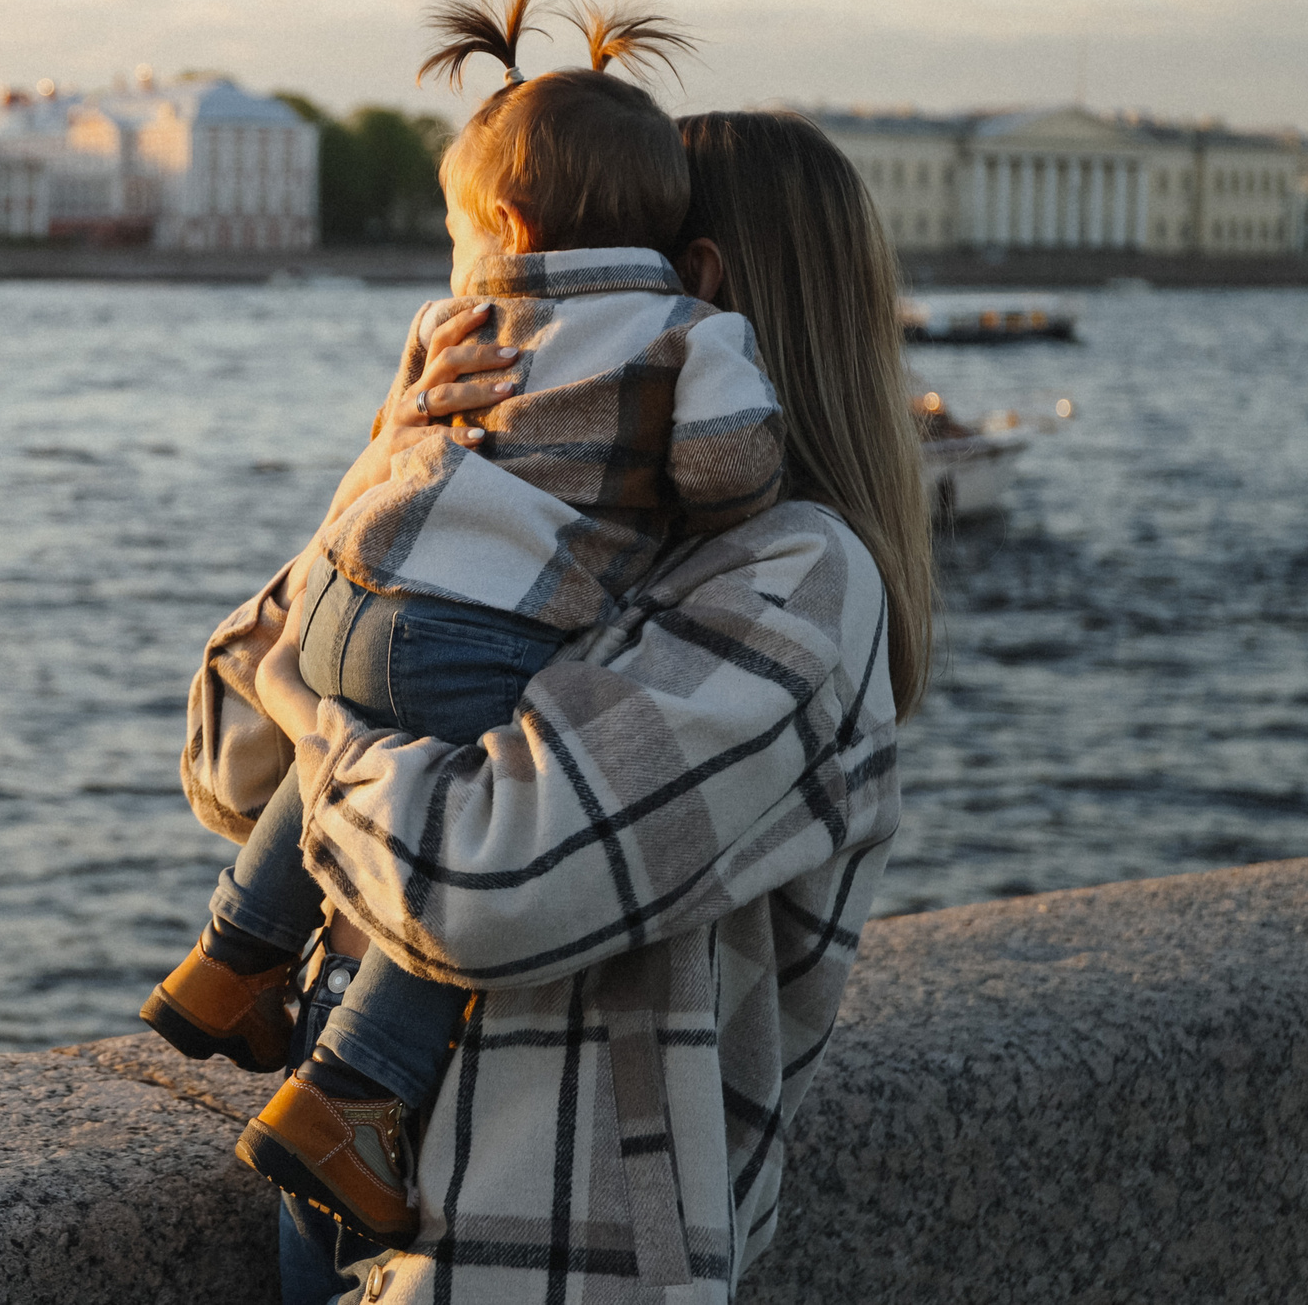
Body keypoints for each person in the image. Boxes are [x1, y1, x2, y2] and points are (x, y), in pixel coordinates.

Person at [178, 107, 930, 1303]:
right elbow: (225, 765)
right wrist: (387, 475)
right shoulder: (541, 526)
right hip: (340, 1211)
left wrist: (322, 704)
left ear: (692, 290)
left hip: (542, 1256)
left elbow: (484, 876)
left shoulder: (797, 578)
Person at [142, 0, 787, 1246]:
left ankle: (232, 957)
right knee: (457, 813)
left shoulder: (450, 330)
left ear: (494, 218)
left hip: (343, 593)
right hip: (472, 636)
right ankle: (352, 1093)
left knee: (356, 725)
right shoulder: (684, 330)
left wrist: (388, 446)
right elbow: (724, 470)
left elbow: (245, 725)